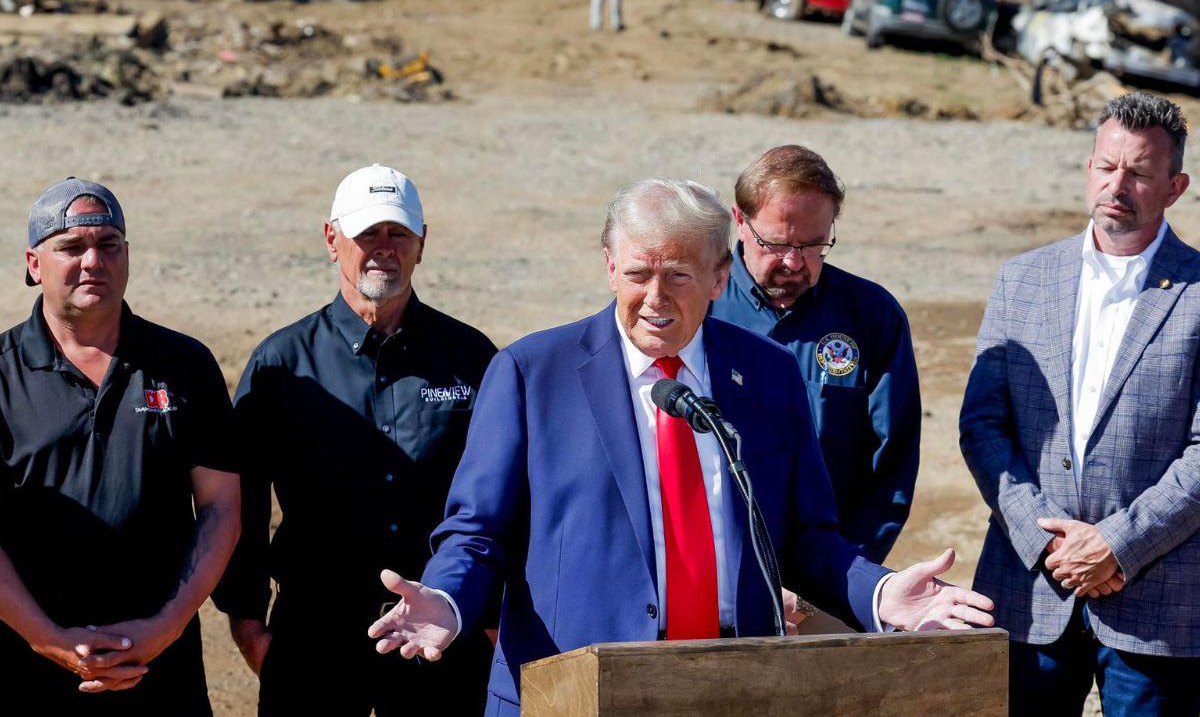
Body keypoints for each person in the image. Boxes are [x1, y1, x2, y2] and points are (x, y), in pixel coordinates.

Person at [367, 178, 994, 715]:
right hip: (572, 691)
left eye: (678, 276)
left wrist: (881, 595)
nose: (655, 299)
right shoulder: (532, 373)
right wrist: (447, 600)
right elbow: (478, 530)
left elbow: (807, 539)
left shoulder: (768, 374)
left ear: (721, 275)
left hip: (730, 686)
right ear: (609, 265)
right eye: (638, 274)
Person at [213, 164, 496, 716]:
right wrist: (248, 625)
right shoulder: (281, 364)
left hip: (439, 636)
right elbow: (239, 500)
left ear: (421, 244)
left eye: (398, 234)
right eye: (368, 234)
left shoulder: (472, 358)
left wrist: (488, 620)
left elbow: (505, 495)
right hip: (313, 636)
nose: (382, 249)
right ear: (332, 239)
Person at [960, 91, 1200, 716]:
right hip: (1030, 592)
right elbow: (983, 424)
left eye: (1140, 172)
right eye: (1106, 166)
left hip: (1158, 606)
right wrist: (1048, 543)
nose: (1117, 184)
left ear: (1174, 187)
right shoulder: (1023, 278)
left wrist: (1117, 545)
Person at [0, 178, 241, 715]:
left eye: (108, 245)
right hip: (23, 665)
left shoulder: (185, 364)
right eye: (71, 247)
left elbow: (223, 506)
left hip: (161, 664)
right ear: (34, 264)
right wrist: (44, 637)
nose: (92, 261)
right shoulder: (0, 374)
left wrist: (168, 624)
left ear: (126, 255)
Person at [711, 145, 920, 565]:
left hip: (828, 578)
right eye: (777, 243)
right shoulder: (695, 307)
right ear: (739, 220)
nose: (793, 262)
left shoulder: (872, 317)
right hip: (712, 574)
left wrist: (832, 581)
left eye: (813, 245)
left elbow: (890, 468)